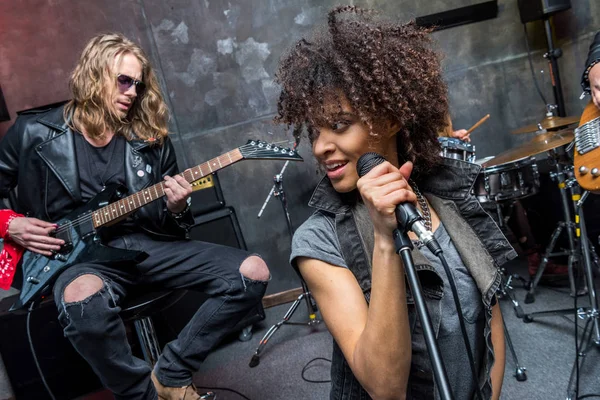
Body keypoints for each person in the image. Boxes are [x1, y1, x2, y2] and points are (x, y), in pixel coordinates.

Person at [0, 33, 270, 400]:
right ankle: (141, 395)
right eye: (123, 80)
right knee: (82, 301)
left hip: (146, 246)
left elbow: (167, 223)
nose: (132, 91)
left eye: (138, 84)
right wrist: (9, 223)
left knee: (252, 274)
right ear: (94, 74)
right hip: (78, 258)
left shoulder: (149, 138)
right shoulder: (33, 133)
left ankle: (173, 372)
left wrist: (177, 207)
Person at [275, 6, 514, 399]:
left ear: (389, 120)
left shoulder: (446, 198)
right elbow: (385, 387)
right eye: (314, 132)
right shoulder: (317, 241)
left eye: (338, 125)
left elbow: (492, 319)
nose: (320, 147)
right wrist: (386, 242)